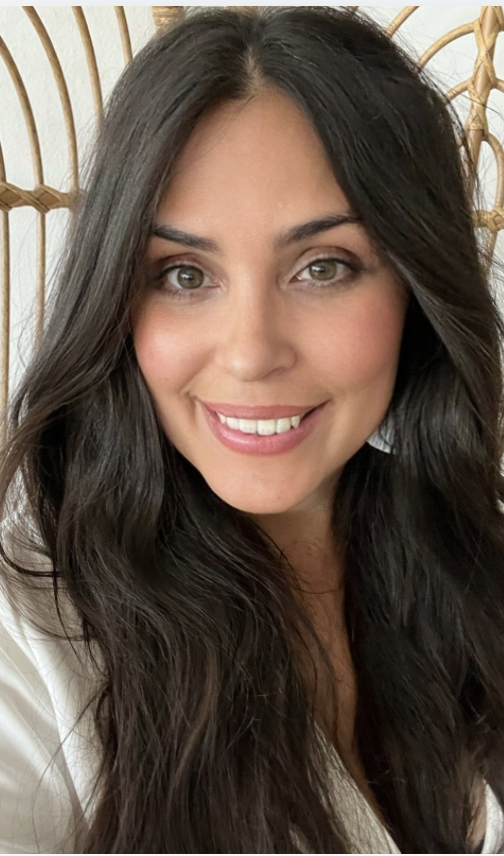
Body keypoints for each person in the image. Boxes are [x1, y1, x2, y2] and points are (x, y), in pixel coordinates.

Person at [0, 5, 503, 852]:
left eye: (323, 267)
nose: (251, 353)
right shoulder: (30, 623)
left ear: (416, 292)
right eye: (183, 274)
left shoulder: (475, 557)